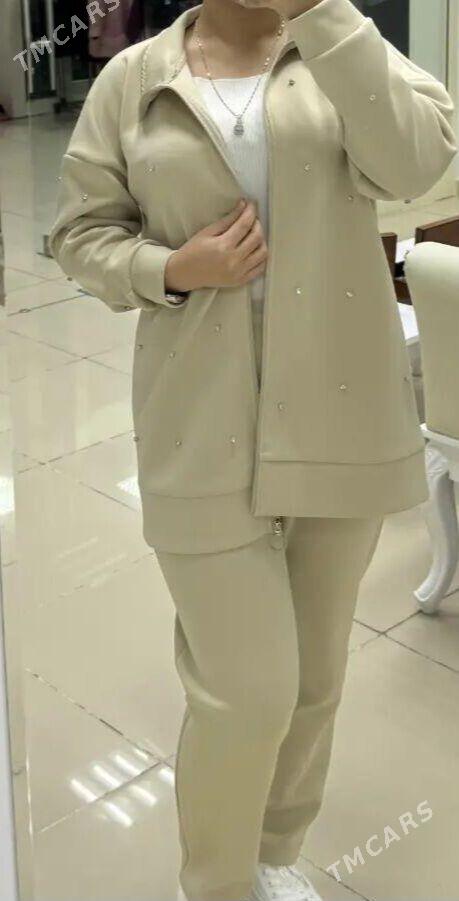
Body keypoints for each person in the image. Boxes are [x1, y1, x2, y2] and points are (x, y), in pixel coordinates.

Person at [48, 1, 457, 899]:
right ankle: (216, 883)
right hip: (198, 419)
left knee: (314, 677)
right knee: (248, 688)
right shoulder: (137, 79)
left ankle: (273, 849)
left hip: (340, 412)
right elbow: (78, 234)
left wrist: (324, 17)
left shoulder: (343, 45)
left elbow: (416, 162)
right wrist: (168, 268)